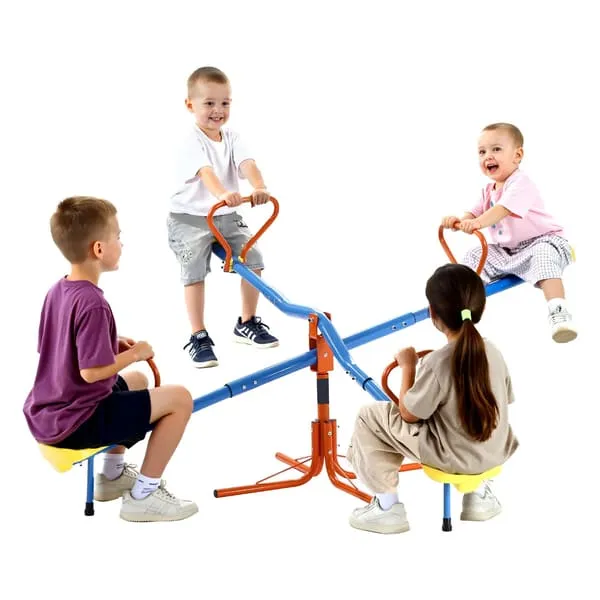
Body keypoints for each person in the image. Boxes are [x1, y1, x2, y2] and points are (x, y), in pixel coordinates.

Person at [24, 196, 198, 522]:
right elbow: (91, 373)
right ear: (99, 249)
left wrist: (109, 342)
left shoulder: (59, 290)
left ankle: (111, 476)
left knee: (138, 381)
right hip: (77, 421)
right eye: (118, 236)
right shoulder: (93, 303)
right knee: (180, 399)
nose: (122, 243)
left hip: (51, 413)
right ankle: (144, 496)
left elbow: (60, 346)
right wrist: (134, 354)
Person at [346, 263, 518, 534]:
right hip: (495, 453)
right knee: (470, 419)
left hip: (452, 459)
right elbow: (504, 400)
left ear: (432, 313)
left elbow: (408, 414)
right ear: (480, 309)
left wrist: (408, 367)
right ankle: (478, 496)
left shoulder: (437, 363)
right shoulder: (494, 352)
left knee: (370, 416)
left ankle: (388, 509)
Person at [167, 66, 279, 368]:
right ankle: (198, 335)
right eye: (209, 103)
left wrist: (259, 187)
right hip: (190, 218)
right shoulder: (191, 141)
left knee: (254, 259)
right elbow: (207, 174)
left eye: (224, 103)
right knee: (194, 271)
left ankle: (247, 322)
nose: (218, 110)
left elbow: (247, 164)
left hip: (226, 216)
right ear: (190, 105)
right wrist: (222, 194)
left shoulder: (232, 137)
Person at [442, 122, 576, 343]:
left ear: (517, 155)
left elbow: (501, 210)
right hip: (508, 251)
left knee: (543, 255)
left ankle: (558, 312)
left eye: (496, 149)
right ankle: (466, 308)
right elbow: (473, 213)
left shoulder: (521, 183)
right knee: (474, 256)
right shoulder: (488, 190)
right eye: (482, 152)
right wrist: (459, 221)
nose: (488, 156)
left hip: (541, 241)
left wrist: (477, 223)